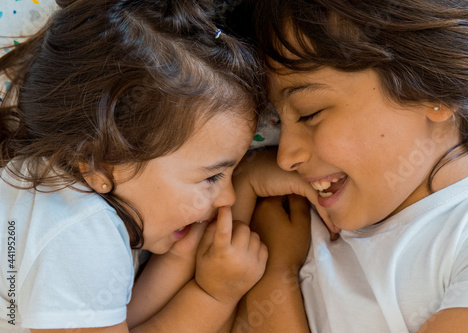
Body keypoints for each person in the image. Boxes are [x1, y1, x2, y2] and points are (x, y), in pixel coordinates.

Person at [226, 0, 468, 332]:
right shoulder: (284, 210)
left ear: (437, 90)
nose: (285, 156)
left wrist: (274, 278)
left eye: (309, 113)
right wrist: (241, 183)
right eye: (278, 121)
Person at [0, 0, 269, 331]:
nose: (227, 197)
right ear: (102, 165)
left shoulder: (67, 200)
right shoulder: (80, 237)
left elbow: (117, 318)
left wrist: (179, 260)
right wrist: (214, 296)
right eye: (212, 176)